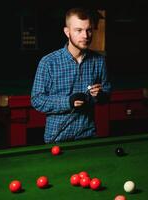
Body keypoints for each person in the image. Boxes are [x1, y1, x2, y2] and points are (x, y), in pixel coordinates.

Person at [31, 7, 111, 143]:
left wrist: (100, 95)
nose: (85, 36)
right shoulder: (48, 62)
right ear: (67, 32)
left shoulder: (99, 61)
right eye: (78, 30)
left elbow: (107, 94)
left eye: (89, 30)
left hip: (88, 136)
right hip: (57, 138)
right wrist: (67, 102)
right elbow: (37, 100)